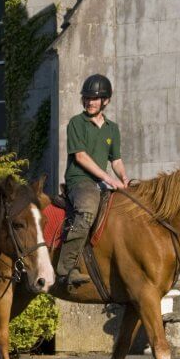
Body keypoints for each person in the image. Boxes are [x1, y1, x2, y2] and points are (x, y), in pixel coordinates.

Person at [57, 74, 130, 290]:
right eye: (87, 98)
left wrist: (123, 178)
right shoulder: (76, 123)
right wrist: (107, 178)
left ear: (105, 101)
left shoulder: (111, 128)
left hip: (102, 181)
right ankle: (65, 269)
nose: (90, 102)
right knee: (88, 211)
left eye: (95, 99)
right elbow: (80, 157)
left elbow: (115, 159)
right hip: (80, 180)